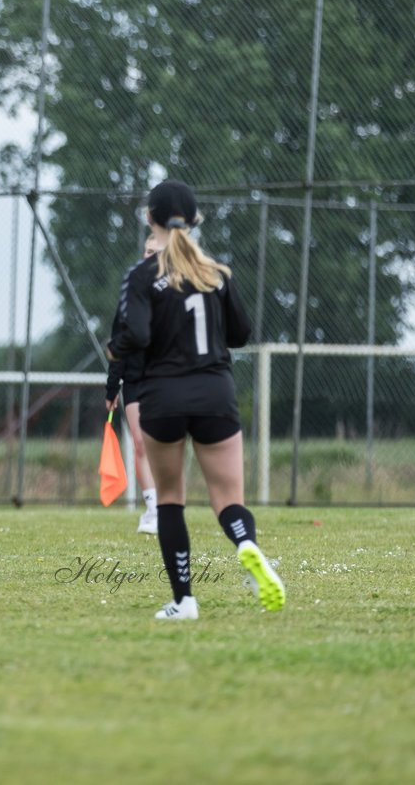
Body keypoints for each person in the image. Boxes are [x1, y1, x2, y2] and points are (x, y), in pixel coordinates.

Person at [106, 180, 285, 620]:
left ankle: (184, 601)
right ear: (196, 219)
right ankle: (246, 544)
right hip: (215, 394)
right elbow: (241, 334)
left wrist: (117, 349)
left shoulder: (142, 274)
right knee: (228, 497)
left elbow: (140, 334)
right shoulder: (216, 273)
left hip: (163, 397)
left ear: (150, 218)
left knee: (169, 498)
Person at [105, 234, 163, 535]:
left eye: (156, 252)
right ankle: (153, 510)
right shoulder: (131, 293)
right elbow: (118, 340)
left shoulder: (177, 293)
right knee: (141, 444)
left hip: (167, 378)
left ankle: (167, 506)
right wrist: (112, 387)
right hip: (136, 378)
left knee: (163, 445)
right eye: (147, 250)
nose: (149, 256)